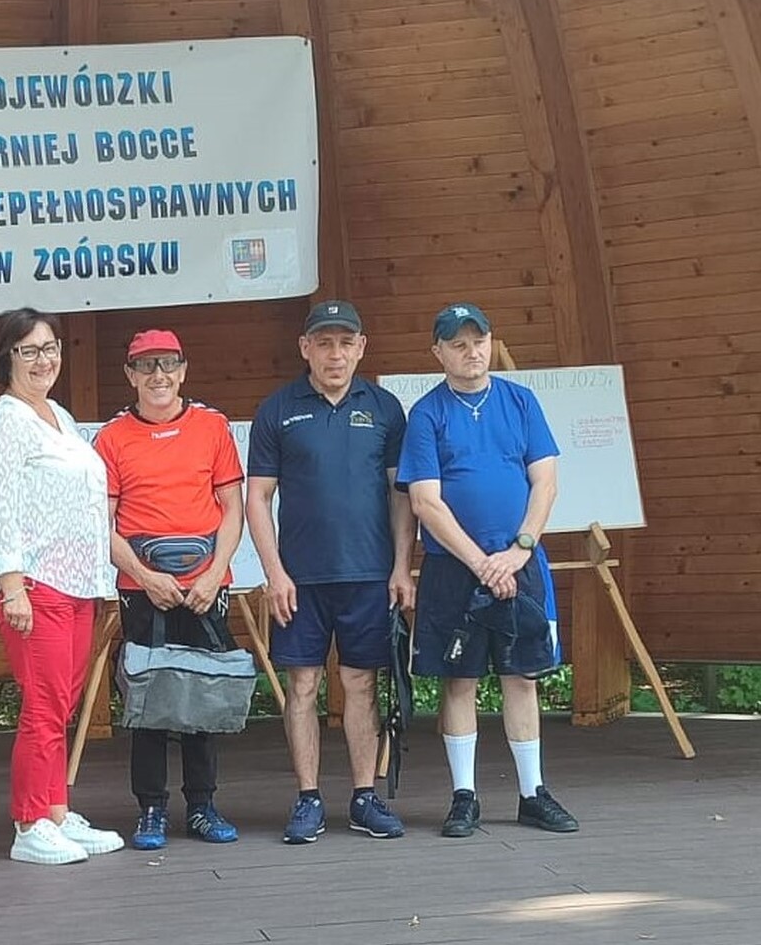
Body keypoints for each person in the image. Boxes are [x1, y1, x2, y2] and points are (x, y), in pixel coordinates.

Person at [396, 302, 579, 837]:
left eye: (478, 341)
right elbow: (424, 501)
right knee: (460, 680)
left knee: (522, 678)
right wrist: (481, 563)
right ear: (438, 352)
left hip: (520, 563)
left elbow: (545, 482)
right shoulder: (426, 414)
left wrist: (519, 550)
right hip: (454, 570)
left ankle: (532, 793)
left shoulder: (521, 402)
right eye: (458, 344)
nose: (471, 352)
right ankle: (464, 796)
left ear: (491, 342)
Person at [246, 300, 415, 845]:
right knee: (303, 685)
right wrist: (274, 573)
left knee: (361, 684)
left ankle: (364, 797)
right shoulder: (277, 410)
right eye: (324, 343)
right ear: (306, 348)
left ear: (361, 348)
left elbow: (401, 496)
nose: (335, 354)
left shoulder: (386, 409)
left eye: (345, 342)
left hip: (369, 575)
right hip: (299, 580)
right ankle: (308, 799)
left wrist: (401, 566)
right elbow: (257, 498)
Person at [0, 307, 124, 865]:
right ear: (6, 357)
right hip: (34, 585)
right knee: (44, 704)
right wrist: (11, 587)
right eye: (29, 350)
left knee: (62, 703)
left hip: (76, 583)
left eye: (51, 347)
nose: (44, 360)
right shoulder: (2, 425)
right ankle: (31, 823)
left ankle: (56, 812)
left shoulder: (57, 415)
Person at [94, 329, 245, 851]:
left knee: (203, 694)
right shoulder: (111, 439)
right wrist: (144, 575)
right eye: (146, 365)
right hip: (143, 588)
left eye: (167, 364)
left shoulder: (212, 426)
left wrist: (214, 573)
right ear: (130, 375)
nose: (158, 375)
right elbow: (100, 523)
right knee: (149, 698)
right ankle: (152, 809)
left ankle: (202, 805)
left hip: (206, 586)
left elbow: (233, 508)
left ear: (183, 370)